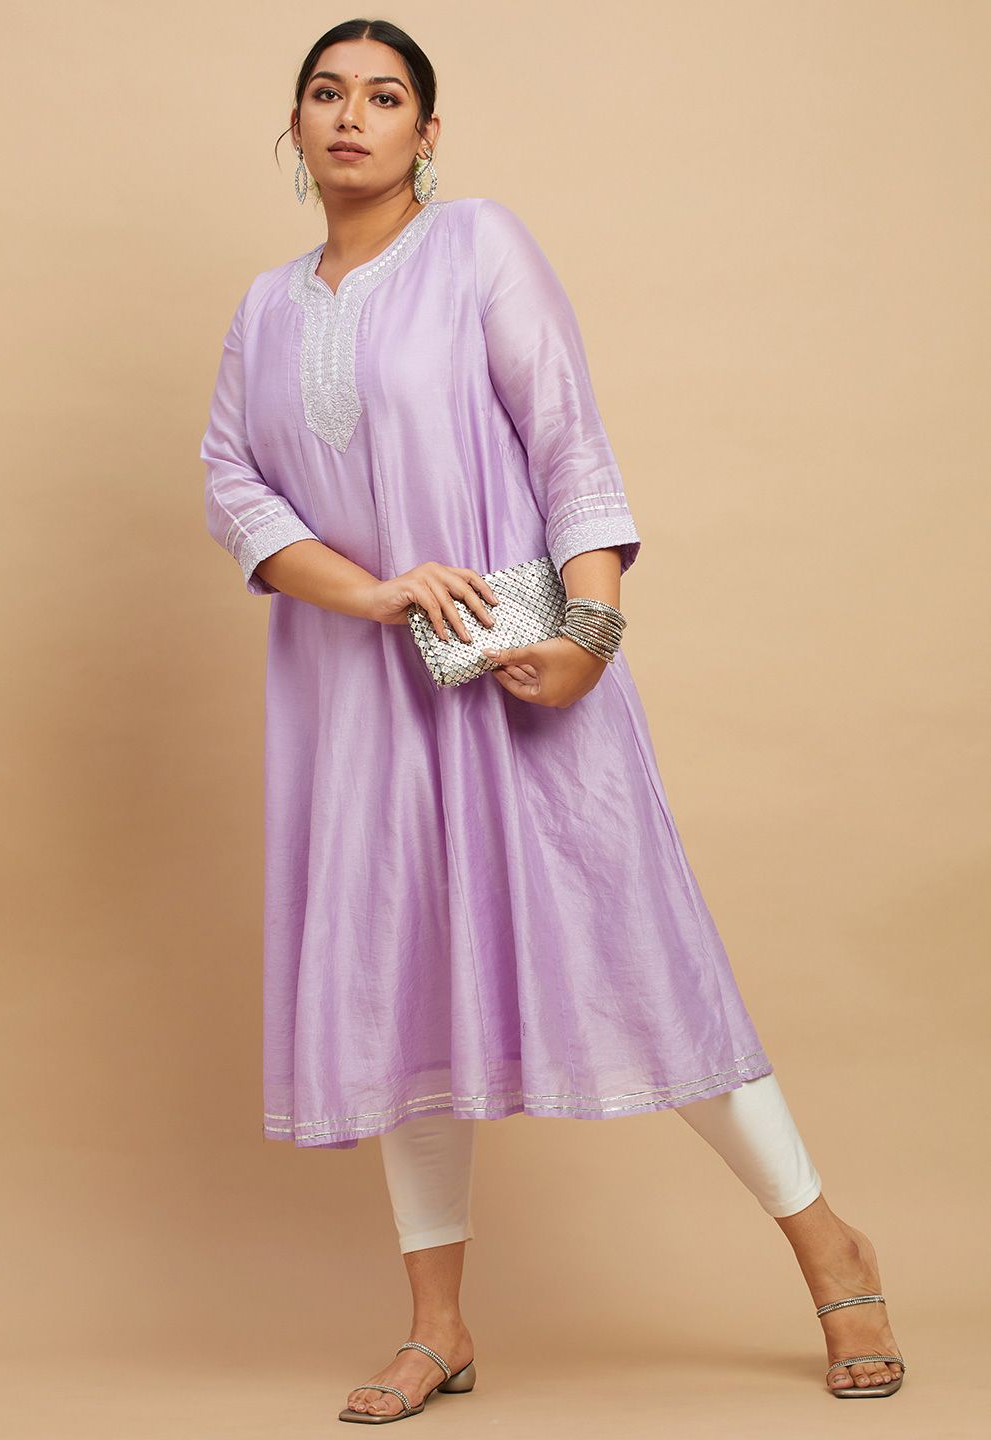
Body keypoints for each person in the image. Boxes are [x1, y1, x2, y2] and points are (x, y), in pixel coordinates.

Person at [199, 18, 907, 1423]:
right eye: (327, 94)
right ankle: (438, 1326)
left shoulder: (479, 249)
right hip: (359, 694)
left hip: (520, 675)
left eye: (384, 97)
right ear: (295, 128)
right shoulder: (265, 311)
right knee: (399, 981)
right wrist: (374, 592)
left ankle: (831, 1243)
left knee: (639, 955)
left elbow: (567, 438)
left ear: (427, 134)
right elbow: (233, 484)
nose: (352, 117)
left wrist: (591, 635)